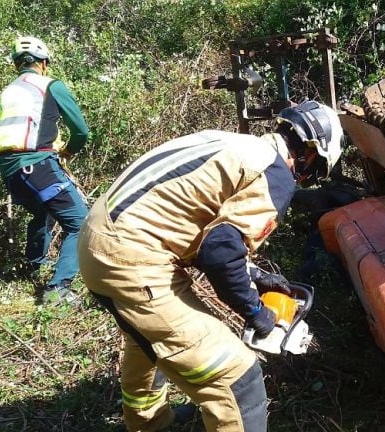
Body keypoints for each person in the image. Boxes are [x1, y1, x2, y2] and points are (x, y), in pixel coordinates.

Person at [77, 101, 343, 431]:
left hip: (98, 240)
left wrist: (255, 275)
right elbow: (219, 251)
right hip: (130, 260)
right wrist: (256, 313)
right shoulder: (276, 173)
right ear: (310, 154)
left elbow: (203, 229)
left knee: (146, 339)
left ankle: (150, 423)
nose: (303, 179)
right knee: (239, 376)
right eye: (311, 173)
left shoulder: (238, 145)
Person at [0, 36, 89, 304]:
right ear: (44, 63)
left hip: (10, 171)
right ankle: (59, 289)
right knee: (80, 223)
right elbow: (81, 131)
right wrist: (67, 151)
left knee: (41, 212)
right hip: (37, 166)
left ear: (17, 65)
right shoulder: (50, 85)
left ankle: (33, 267)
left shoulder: (8, 91)